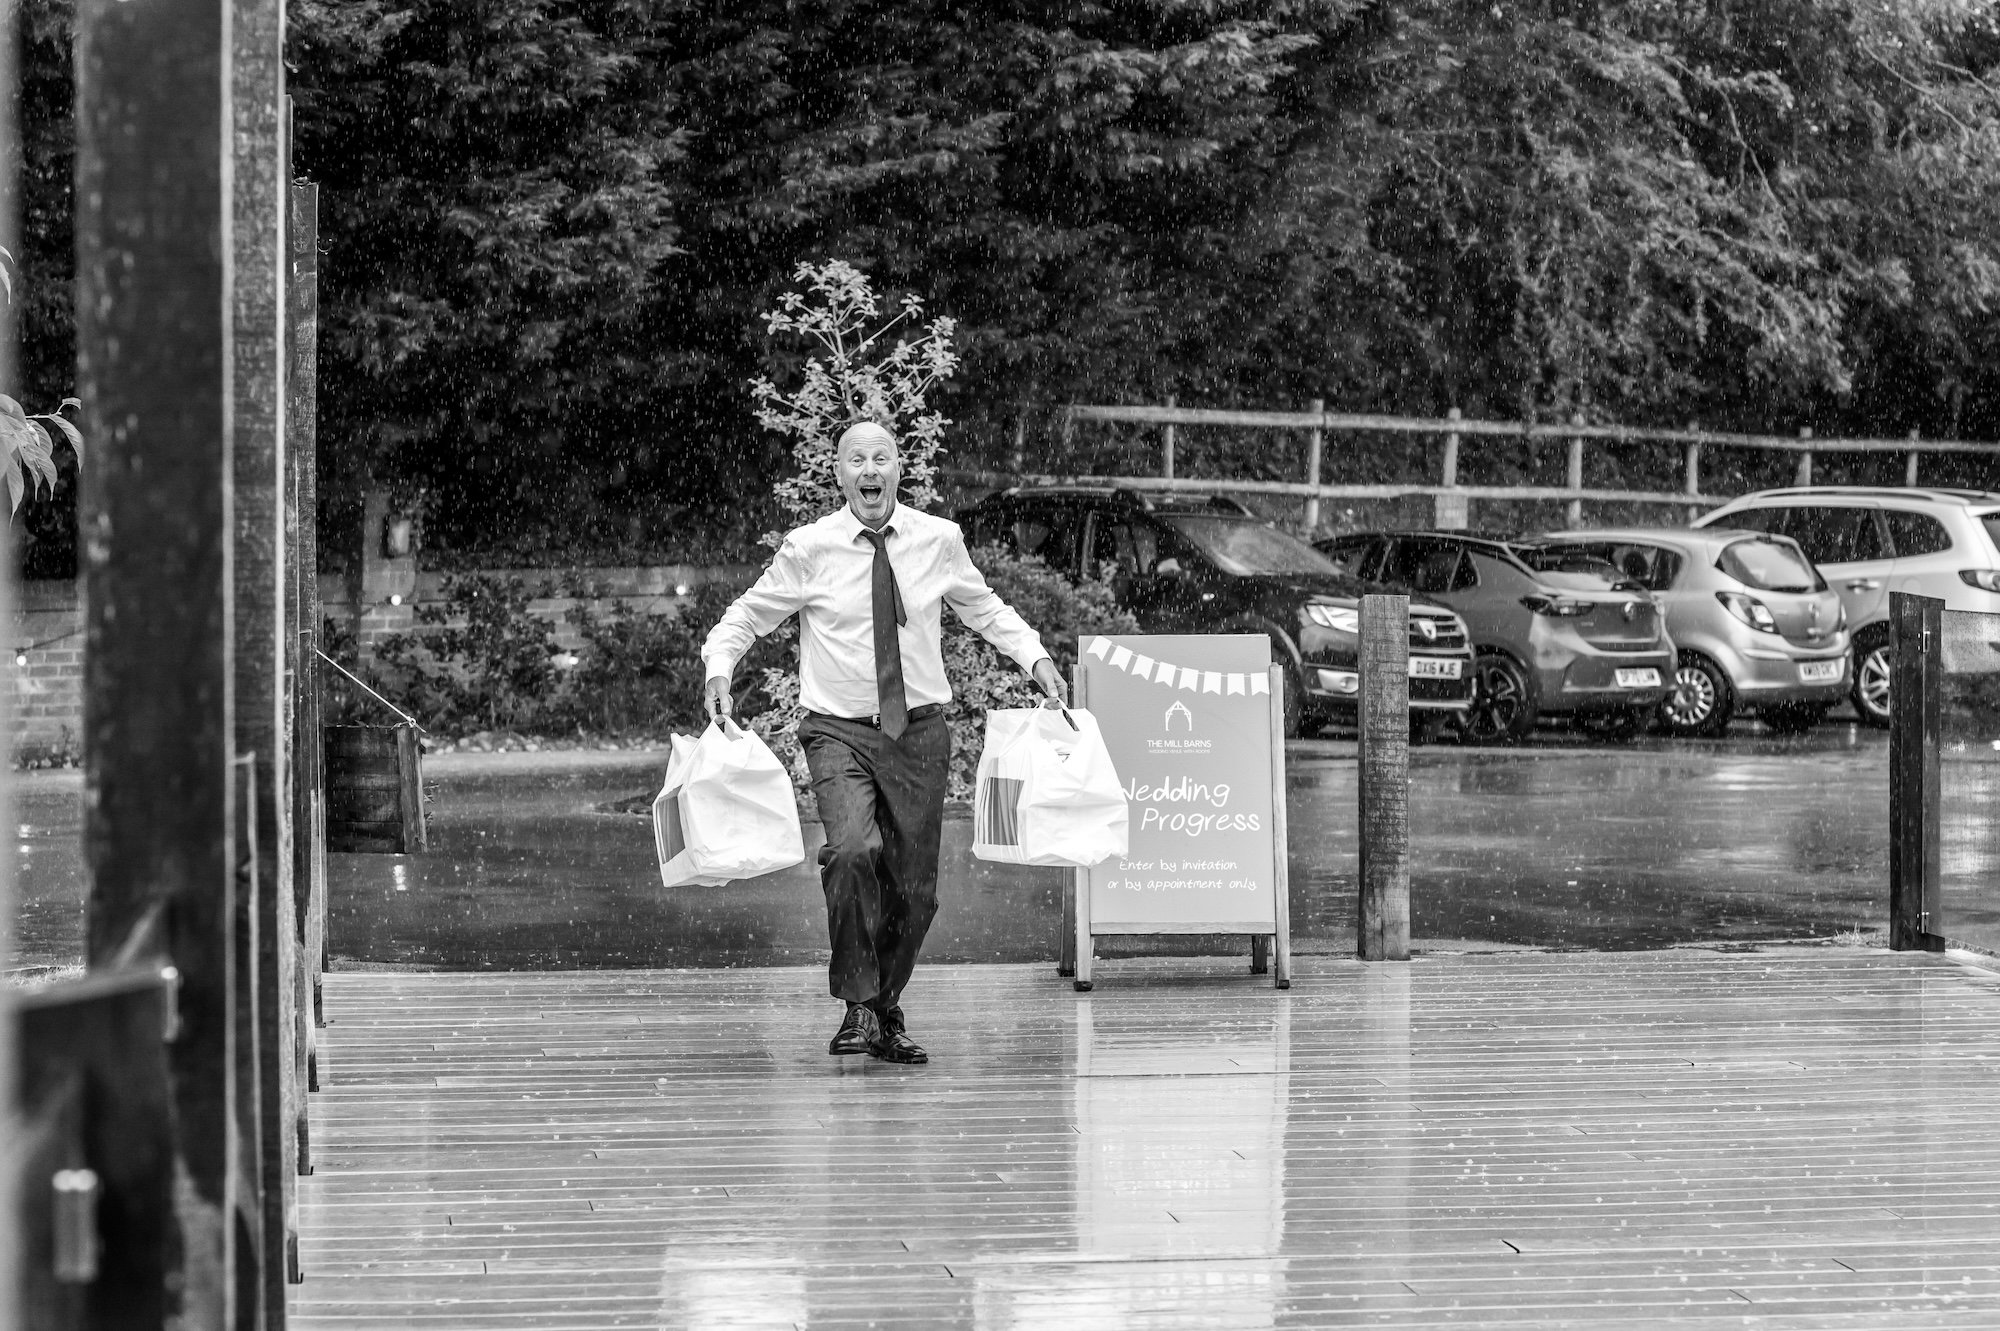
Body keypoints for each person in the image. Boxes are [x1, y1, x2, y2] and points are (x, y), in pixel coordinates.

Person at [701, 421, 1065, 1064]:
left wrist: (1034, 659)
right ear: (839, 475)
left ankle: (884, 1007)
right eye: (855, 460)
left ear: (899, 469)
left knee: (915, 889)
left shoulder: (937, 540)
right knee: (848, 851)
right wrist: (718, 670)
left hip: (918, 733)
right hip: (836, 730)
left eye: (881, 457)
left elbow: (986, 609)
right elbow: (746, 615)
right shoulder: (808, 548)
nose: (870, 469)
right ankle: (858, 1005)